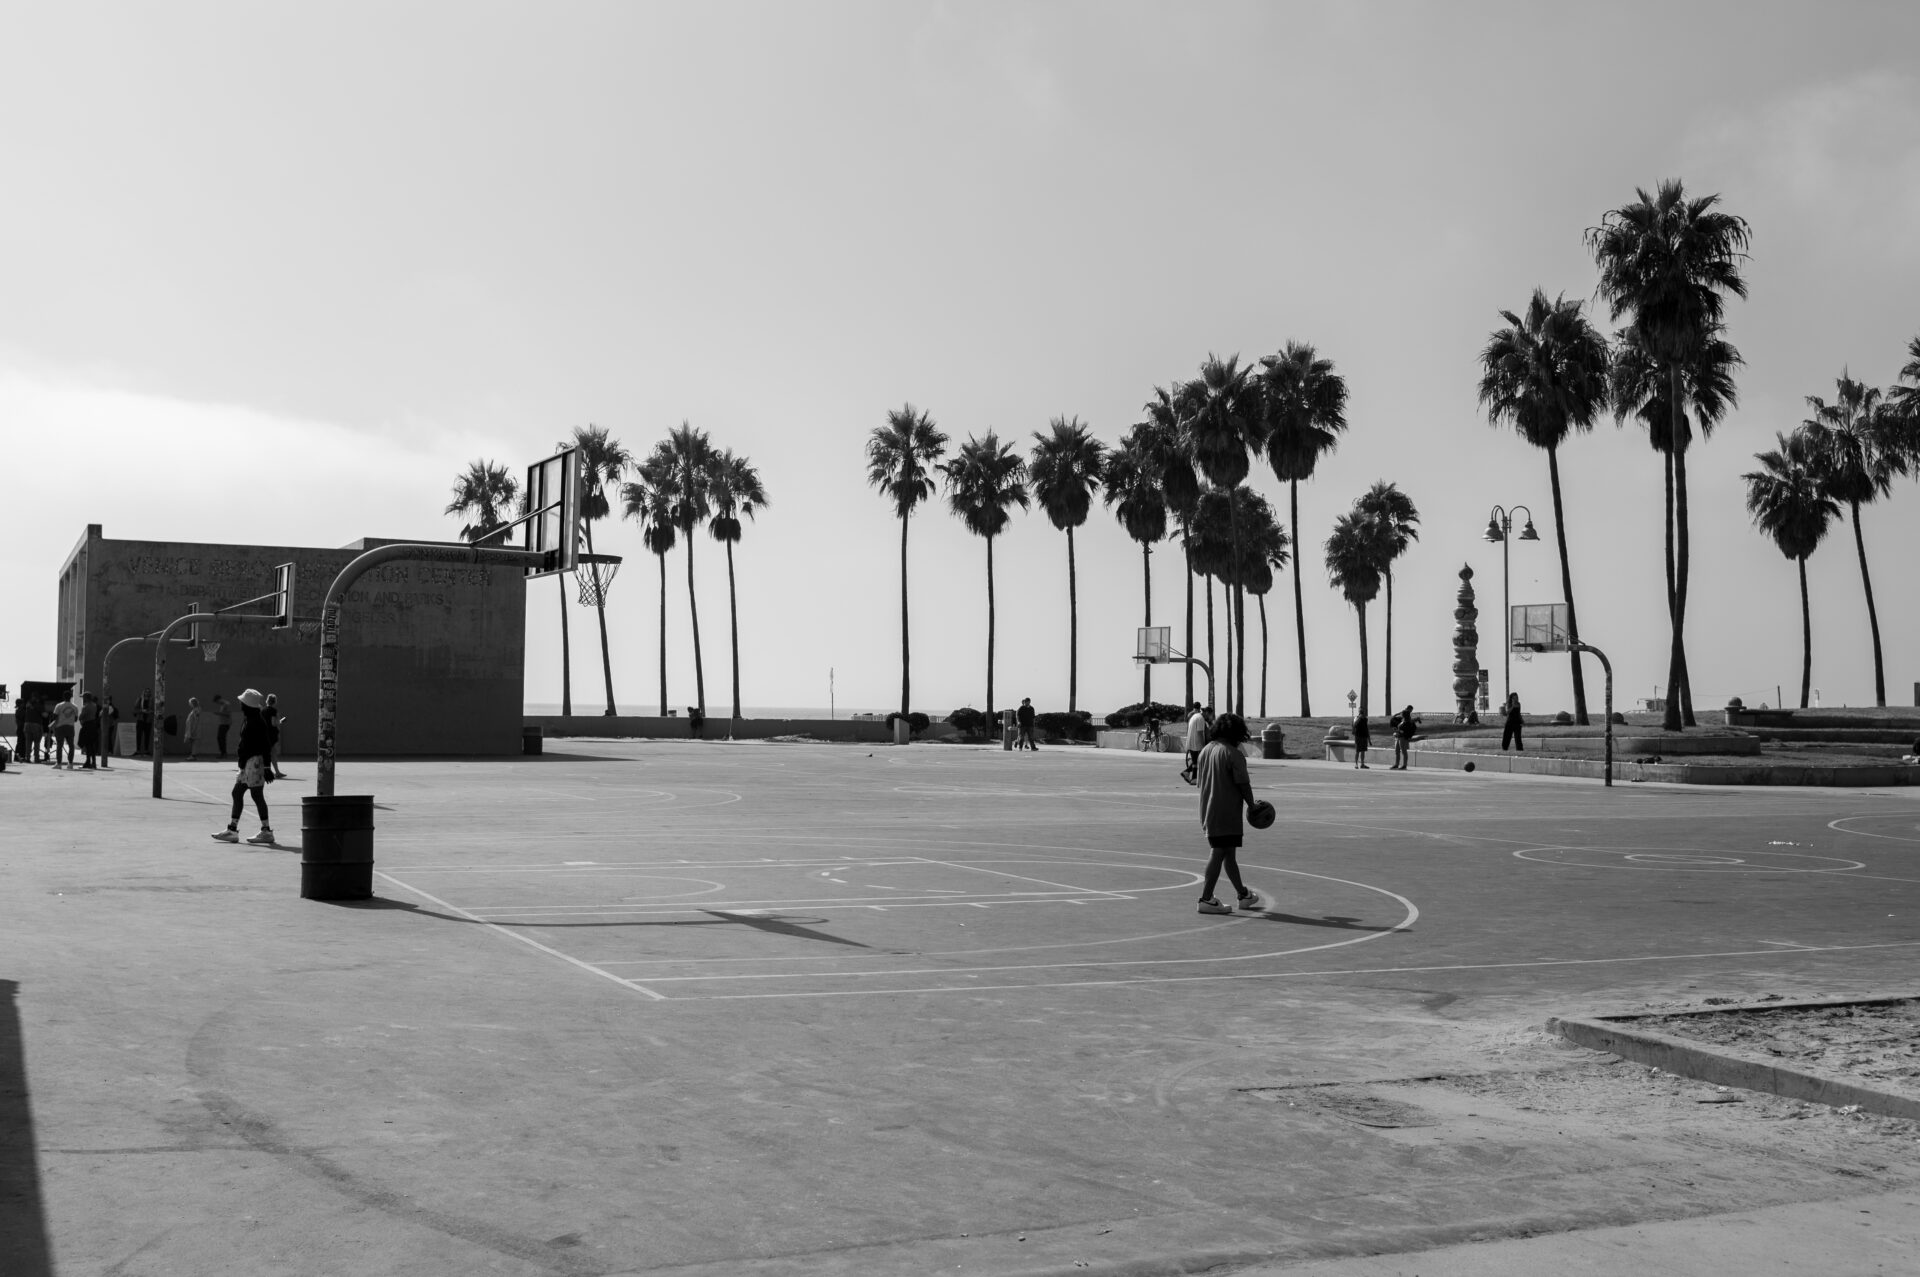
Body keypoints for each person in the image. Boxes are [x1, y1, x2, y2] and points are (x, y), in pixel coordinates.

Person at [1194, 712, 1263, 915]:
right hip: (1226, 812)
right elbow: (1243, 784)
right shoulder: (1233, 754)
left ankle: (1243, 895)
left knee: (1228, 853)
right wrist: (1252, 806)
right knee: (1219, 852)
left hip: (1208, 809)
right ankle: (1206, 899)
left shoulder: (1206, 750)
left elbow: (1200, 782)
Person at [212, 689, 276, 846]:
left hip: (254, 763)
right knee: (237, 793)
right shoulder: (249, 718)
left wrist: (267, 767)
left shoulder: (257, 721)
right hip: (246, 764)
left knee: (256, 795)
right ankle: (232, 830)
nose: (240, 704)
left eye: (242, 702)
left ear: (248, 705)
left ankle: (266, 831)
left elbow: (266, 745)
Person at [1180, 702, 1209, 785]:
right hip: (1196, 742)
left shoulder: (1192, 715)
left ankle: (1190, 775)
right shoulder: (1200, 718)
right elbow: (1200, 732)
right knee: (1196, 761)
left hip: (1191, 739)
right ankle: (1192, 777)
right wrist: (1203, 745)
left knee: (1195, 761)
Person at [51, 693, 79, 768]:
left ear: (63, 697)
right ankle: (70, 764)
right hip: (70, 727)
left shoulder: (59, 705)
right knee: (71, 746)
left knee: (59, 746)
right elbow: (76, 719)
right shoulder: (75, 707)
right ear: (71, 697)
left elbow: (54, 717)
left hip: (60, 727)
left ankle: (59, 764)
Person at [77, 692, 102, 769]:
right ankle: (93, 762)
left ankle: (88, 762)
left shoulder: (86, 707)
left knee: (88, 745)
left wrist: (81, 718)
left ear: (86, 698)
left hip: (87, 725)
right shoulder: (94, 705)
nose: (83, 699)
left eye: (84, 697)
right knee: (92, 745)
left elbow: (81, 717)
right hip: (93, 725)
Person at [264, 693, 287, 777]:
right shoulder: (273, 710)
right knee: (273, 753)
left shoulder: (263, 710)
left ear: (267, 701)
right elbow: (273, 723)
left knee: (267, 753)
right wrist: (280, 721)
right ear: (275, 701)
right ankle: (276, 772)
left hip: (264, 734)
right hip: (271, 734)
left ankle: (272, 771)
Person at [1390, 704, 1418, 770]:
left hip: (1403, 738)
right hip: (1398, 737)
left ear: (1404, 715)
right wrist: (1397, 731)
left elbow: (1405, 730)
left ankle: (1404, 765)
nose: (1401, 714)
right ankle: (1396, 764)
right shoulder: (1402, 721)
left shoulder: (1407, 722)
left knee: (1403, 751)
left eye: (1402, 714)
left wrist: (1398, 731)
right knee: (1397, 751)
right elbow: (1394, 719)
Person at [211, 693, 233, 759]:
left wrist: (218, 713)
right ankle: (223, 753)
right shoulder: (222, 705)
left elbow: (228, 714)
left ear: (219, 699)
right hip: (222, 723)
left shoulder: (226, 704)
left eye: (217, 702)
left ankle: (224, 753)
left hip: (225, 724)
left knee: (221, 738)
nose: (217, 703)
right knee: (220, 738)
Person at [134, 690, 153, 756]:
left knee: (147, 736)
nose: (147, 693)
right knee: (139, 735)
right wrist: (142, 711)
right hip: (140, 719)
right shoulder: (139, 699)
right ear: (143, 692)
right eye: (146, 691)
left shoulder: (152, 700)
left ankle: (146, 751)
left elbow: (155, 709)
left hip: (148, 720)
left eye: (148, 691)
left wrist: (150, 711)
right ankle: (138, 750)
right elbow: (135, 709)